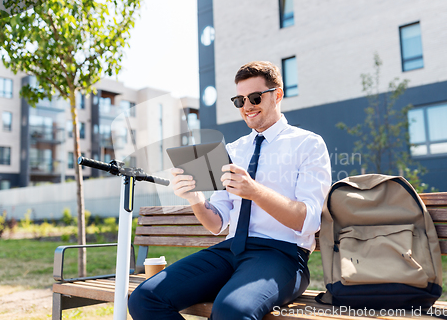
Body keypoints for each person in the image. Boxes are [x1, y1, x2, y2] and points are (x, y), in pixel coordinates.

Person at [129, 61, 331, 320]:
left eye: (255, 97)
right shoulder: (234, 150)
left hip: (283, 255)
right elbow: (216, 224)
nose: (247, 107)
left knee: (230, 312)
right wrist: (195, 200)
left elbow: (310, 219)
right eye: (240, 100)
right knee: (145, 299)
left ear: (277, 95)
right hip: (229, 250)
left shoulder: (308, 144)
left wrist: (255, 192)